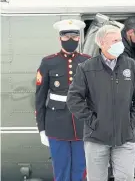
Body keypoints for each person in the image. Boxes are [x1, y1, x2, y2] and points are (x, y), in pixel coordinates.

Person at [66, 24, 135, 181]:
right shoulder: (86, 68)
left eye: (120, 39)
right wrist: (93, 121)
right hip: (96, 138)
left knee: (125, 178)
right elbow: (74, 99)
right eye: (114, 40)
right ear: (101, 43)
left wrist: (132, 121)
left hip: (125, 137)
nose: (120, 44)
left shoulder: (132, 66)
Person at [35, 19, 90, 181]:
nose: (71, 40)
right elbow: (40, 97)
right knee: (61, 169)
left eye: (74, 36)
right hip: (56, 124)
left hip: (82, 124)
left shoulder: (87, 61)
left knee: (81, 169)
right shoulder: (48, 62)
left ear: (79, 38)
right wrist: (42, 129)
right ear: (60, 38)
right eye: (66, 37)